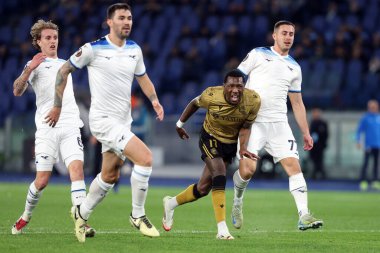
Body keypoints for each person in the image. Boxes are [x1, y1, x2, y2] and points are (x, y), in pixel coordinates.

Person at [46, 3, 164, 242]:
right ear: (109, 22)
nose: (127, 22)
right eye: (121, 18)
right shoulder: (93, 49)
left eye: (130, 18)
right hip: (102, 121)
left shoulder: (135, 50)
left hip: (123, 121)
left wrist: (154, 100)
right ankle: (137, 215)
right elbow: (63, 71)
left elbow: (143, 77)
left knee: (109, 176)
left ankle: (81, 212)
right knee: (145, 159)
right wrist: (57, 105)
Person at [231, 20, 323, 231]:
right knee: (248, 170)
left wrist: (306, 132)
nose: (288, 37)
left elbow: (297, 103)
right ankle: (237, 201)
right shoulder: (258, 54)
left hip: (279, 124)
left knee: (294, 166)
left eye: (291, 33)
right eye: (284, 33)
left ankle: (303, 215)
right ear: (274, 35)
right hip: (253, 122)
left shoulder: (295, 67)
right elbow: (235, 79)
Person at [11, 19, 95, 237]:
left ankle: (81, 221)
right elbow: (17, 91)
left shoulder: (66, 64)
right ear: (38, 42)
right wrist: (30, 68)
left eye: (55, 38)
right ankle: (25, 217)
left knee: (76, 172)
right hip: (47, 129)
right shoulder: (34, 65)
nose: (52, 42)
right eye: (47, 38)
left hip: (70, 126)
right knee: (42, 181)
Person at [162, 69, 261, 240]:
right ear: (224, 86)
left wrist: (243, 147)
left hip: (230, 143)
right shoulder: (211, 95)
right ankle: (222, 229)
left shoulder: (253, 100)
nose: (235, 90)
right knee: (220, 173)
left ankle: (170, 203)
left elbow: (246, 126)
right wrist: (179, 124)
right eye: (231, 86)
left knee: (203, 188)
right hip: (210, 137)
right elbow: (194, 103)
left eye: (239, 86)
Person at [355, 99, 380, 191]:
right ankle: (363, 181)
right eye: (371, 106)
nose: (373, 108)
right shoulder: (366, 118)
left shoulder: (379, 117)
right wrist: (358, 141)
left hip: (377, 145)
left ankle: (375, 181)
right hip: (368, 145)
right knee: (366, 163)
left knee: (376, 164)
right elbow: (359, 130)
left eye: (374, 106)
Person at [309, 108, 329, 180]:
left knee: (320, 160)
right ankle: (315, 173)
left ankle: (321, 174)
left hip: (320, 146)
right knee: (314, 160)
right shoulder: (312, 123)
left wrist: (324, 144)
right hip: (313, 146)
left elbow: (326, 134)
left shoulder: (323, 123)